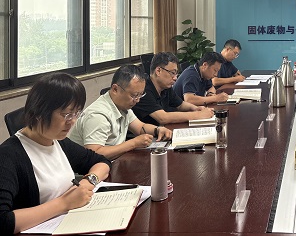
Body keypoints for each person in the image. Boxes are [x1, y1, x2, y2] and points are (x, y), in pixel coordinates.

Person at [0, 73, 111, 234]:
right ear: (39, 112)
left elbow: (101, 162)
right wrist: (64, 204)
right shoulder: (8, 156)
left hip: (73, 223)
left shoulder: (57, 141)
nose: (72, 121)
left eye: (76, 113)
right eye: (67, 114)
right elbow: (3, 221)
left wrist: (88, 182)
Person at [69, 65, 172, 160]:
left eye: (140, 95)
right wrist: (133, 143)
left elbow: (140, 127)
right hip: (90, 170)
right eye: (134, 95)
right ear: (115, 89)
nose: (137, 100)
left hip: (114, 162)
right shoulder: (98, 115)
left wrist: (157, 130)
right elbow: (94, 153)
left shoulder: (122, 106)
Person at [132, 52, 214, 126]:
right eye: (172, 73)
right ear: (158, 71)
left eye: (176, 74)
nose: (175, 78)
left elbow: (180, 105)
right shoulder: (143, 89)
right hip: (146, 134)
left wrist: (196, 108)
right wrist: (197, 115)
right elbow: (163, 118)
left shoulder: (165, 87)